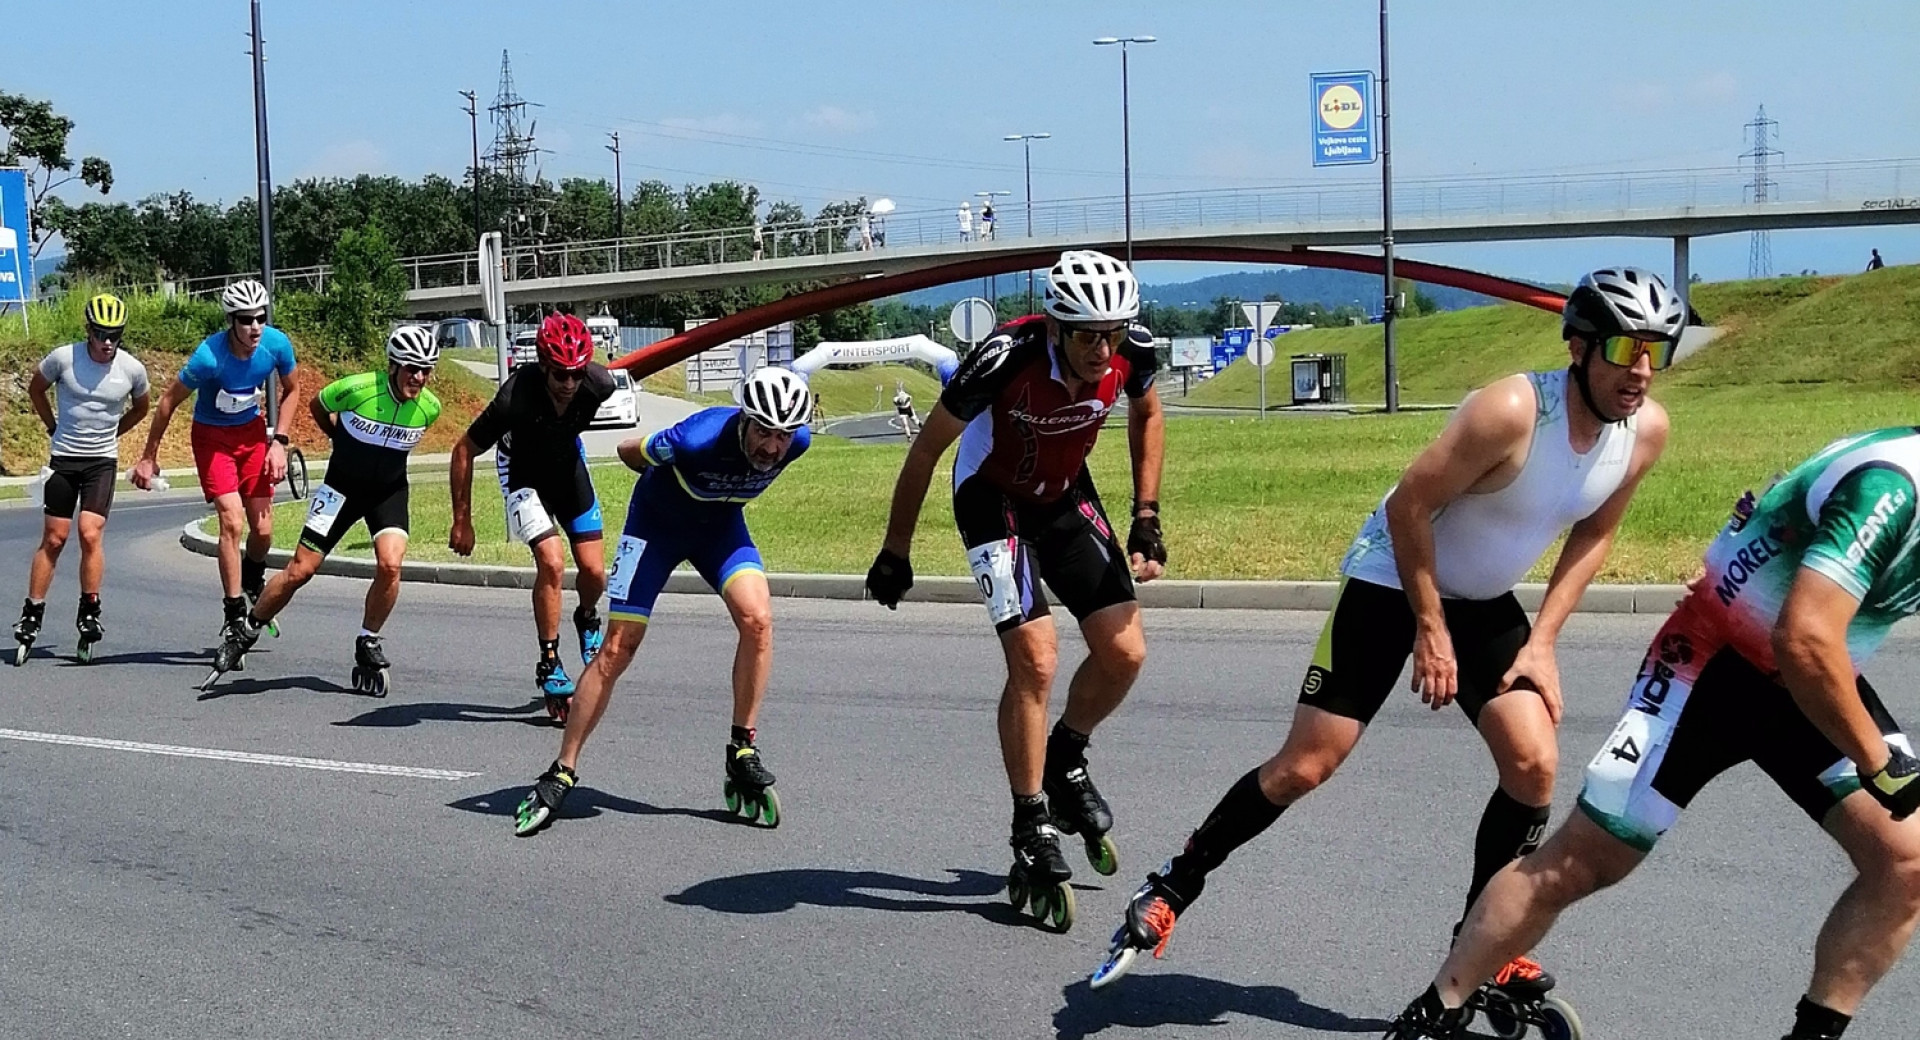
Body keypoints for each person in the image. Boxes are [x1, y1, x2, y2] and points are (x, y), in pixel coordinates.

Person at [1091, 267, 1683, 994]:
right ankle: (1173, 886)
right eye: (1626, 349)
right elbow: (1408, 508)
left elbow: (1594, 533)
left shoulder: (1644, 432)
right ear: (1579, 346)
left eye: (1658, 349)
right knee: (1307, 764)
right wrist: (1428, 627)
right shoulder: (1513, 411)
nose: (1643, 371)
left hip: (1480, 595)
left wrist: (1543, 642)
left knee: (1533, 766)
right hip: (1392, 576)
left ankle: (1484, 942)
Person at [1383, 425, 1920, 1040]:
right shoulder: (1893, 488)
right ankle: (1436, 1012)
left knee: (1906, 861)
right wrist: (1877, 759)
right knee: (1581, 863)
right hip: (1715, 670)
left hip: (1807, 685)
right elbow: (1804, 638)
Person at [865, 249, 1167, 932]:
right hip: (992, 499)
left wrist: (1146, 514)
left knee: (1126, 652)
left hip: (1062, 497)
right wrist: (895, 551)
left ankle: (1065, 757)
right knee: (1036, 659)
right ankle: (1030, 817)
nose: (1102, 349)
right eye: (1088, 334)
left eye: (1112, 332)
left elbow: (1148, 414)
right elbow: (926, 451)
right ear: (1057, 327)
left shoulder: (1132, 350)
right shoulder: (1003, 357)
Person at [513, 367, 815, 836]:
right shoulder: (696, 439)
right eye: (763, 432)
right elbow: (627, 451)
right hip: (654, 528)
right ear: (743, 420)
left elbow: (773, 450)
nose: (773, 448)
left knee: (758, 621)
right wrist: (654, 454)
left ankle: (742, 749)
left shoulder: (799, 446)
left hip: (719, 529)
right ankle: (562, 769)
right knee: (617, 648)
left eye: (783, 435)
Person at [206, 327, 443, 694]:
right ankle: (246, 629)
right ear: (393, 365)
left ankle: (368, 640)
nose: (419, 378)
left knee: (391, 564)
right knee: (301, 570)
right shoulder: (358, 388)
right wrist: (341, 440)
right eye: (412, 368)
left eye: (427, 370)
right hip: (340, 489)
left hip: (388, 492)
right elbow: (318, 406)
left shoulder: (430, 406)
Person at [450, 312, 613, 721]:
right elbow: (463, 450)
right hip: (522, 473)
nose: (569, 384)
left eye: (577, 374)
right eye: (560, 375)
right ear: (543, 366)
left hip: (567, 468)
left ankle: (587, 615)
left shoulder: (600, 384)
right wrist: (462, 519)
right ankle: (550, 659)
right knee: (553, 564)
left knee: (595, 573)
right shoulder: (514, 398)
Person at [131, 279, 298, 643]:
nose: (255, 327)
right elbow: (166, 402)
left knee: (264, 532)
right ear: (230, 321)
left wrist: (280, 442)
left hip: (253, 436)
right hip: (213, 439)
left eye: (260, 317)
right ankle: (234, 611)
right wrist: (148, 457)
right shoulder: (209, 357)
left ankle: (253, 581)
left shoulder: (276, 344)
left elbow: (293, 389)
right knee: (232, 522)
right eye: (245, 319)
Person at [12, 294, 151, 666]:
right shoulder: (63, 358)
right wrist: (51, 426)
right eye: (102, 334)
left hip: (101, 462)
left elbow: (142, 407)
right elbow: (36, 389)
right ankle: (32, 611)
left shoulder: (131, 369)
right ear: (88, 330)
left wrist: (115, 434)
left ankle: (89, 609)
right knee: (54, 538)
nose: (108, 343)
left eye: (115, 335)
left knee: (90, 533)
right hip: (64, 458)